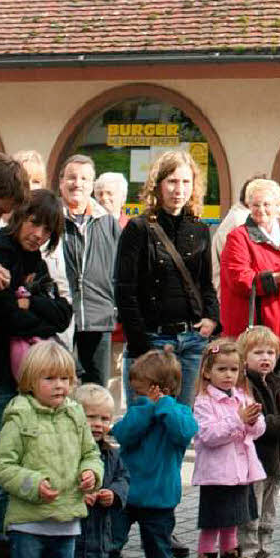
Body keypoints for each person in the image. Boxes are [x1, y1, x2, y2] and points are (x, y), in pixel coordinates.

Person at [0, 190, 72, 558]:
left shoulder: (34, 258)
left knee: (8, 471)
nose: (39, 233)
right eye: (34, 222)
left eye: (47, 228)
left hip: (23, 377)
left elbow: (64, 314)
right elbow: (6, 316)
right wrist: (29, 307)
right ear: (19, 216)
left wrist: (30, 303)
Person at [115, 150, 219, 409]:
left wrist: (212, 318)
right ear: (157, 185)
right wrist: (142, 345)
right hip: (151, 340)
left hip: (191, 342)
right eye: (172, 181)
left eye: (185, 182)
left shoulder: (199, 229)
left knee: (181, 427)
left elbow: (205, 284)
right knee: (145, 426)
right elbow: (124, 290)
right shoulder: (138, 229)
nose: (179, 189)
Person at [0, 340, 103, 558]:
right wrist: (32, 483)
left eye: (64, 378)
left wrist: (91, 472)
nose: (59, 385)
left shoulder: (75, 412)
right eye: (49, 379)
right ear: (30, 381)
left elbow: (91, 453)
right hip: (28, 523)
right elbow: (2, 466)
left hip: (67, 523)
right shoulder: (19, 414)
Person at [221, 179, 280, 384]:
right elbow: (240, 280)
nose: (261, 210)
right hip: (259, 336)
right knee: (255, 398)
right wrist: (277, 277)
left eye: (266, 204)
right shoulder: (238, 237)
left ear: (277, 207)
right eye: (255, 204)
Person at [110, 347, 198, 558]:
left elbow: (183, 432)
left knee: (159, 554)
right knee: (110, 544)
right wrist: (147, 408)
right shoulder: (139, 411)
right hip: (126, 495)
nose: (137, 397)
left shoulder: (180, 413)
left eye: (140, 392)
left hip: (160, 499)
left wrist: (164, 406)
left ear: (162, 390)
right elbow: (123, 434)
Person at [192, 338, 265, 558]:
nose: (228, 375)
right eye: (221, 369)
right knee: (212, 525)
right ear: (206, 372)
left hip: (240, 473)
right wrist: (238, 419)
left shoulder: (242, 396)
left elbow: (257, 431)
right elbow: (209, 435)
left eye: (234, 369)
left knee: (232, 525)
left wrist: (253, 422)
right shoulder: (204, 402)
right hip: (217, 476)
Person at [237, 325, 280, 558]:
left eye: (270, 353)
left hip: (275, 462)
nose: (266, 358)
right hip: (256, 462)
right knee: (251, 516)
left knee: (268, 515)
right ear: (245, 358)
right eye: (258, 353)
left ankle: (265, 554)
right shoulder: (246, 387)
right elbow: (263, 423)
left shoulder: (275, 382)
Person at [59, 155, 121, 386]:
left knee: (96, 390)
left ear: (92, 184)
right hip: (59, 319)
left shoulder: (107, 222)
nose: (78, 183)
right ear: (60, 182)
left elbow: (120, 270)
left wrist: (114, 307)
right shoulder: (50, 217)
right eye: (72, 177)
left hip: (98, 317)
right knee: (59, 386)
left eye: (84, 178)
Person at [71, 383, 129, 558]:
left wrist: (114, 494)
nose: (98, 423)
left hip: (100, 540)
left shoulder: (112, 454)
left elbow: (123, 478)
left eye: (105, 419)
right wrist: (77, 495)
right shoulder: (69, 452)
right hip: (71, 539)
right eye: (91, 417)